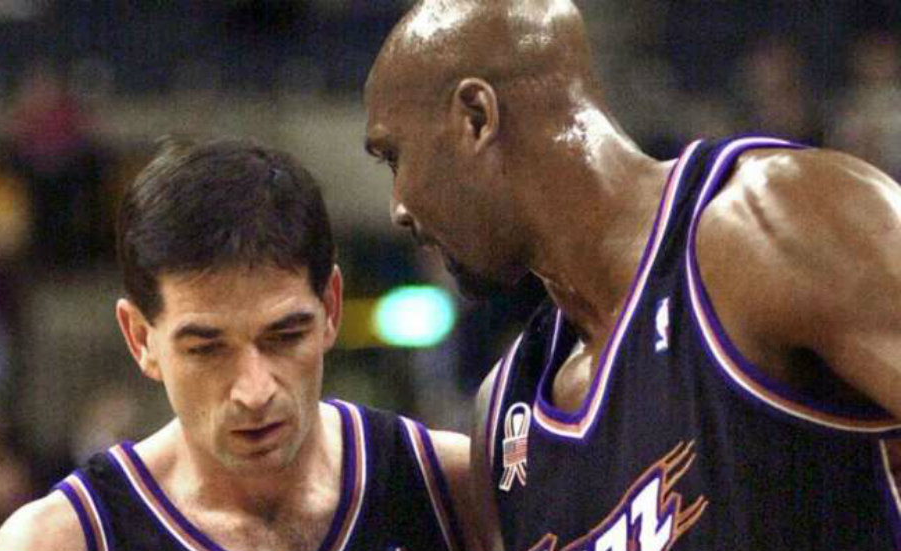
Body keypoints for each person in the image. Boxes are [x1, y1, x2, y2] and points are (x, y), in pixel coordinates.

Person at [363, 1, 901, 550]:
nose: (398, 207)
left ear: (476, 117)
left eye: (393, 157)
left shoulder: (773, 222)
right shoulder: (502, 415)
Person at [0, 138, 476, 551]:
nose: (254, 391)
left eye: (285, 337)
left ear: (330, 307)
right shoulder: (60, 539)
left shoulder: (454, 487)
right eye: (207, 349)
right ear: (141, 338)